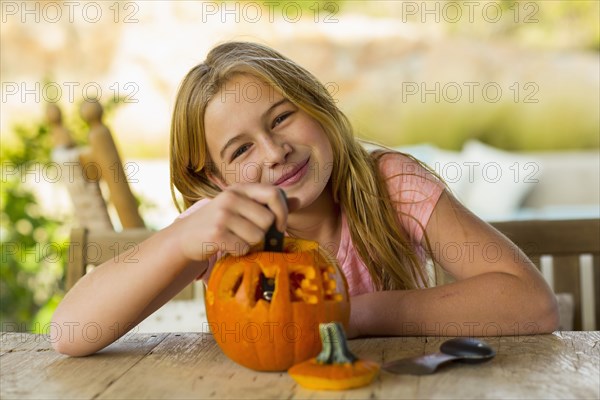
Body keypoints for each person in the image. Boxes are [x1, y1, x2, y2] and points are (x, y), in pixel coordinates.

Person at [52, 41, 558, 357]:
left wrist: (352, 316)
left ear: (317, 105)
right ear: (217, 176)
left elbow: (533, 304)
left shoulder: (391, 185)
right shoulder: (224, 227)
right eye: (242, 148)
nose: (275, 151)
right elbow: (70, 332)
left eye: (281, 117)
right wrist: (181, 239)